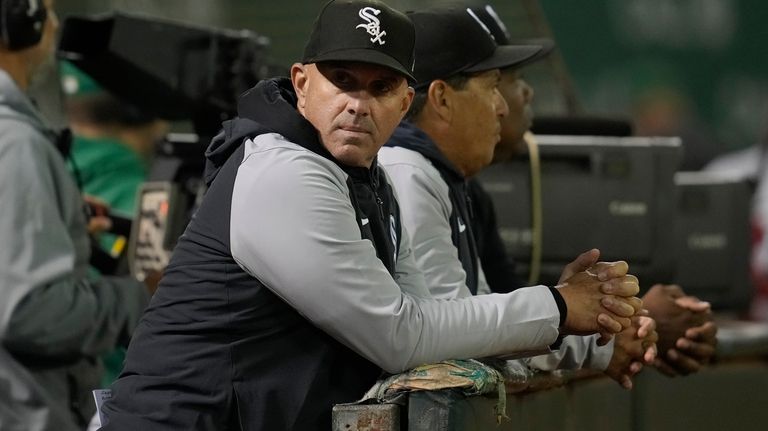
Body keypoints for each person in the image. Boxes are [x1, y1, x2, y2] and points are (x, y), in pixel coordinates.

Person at [101, 1, 645, 429]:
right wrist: (555, 307)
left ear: (405, 102)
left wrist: (576, 325)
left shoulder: (369, 179)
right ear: (302, 82)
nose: (359, 104)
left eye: (380, 87)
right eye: (343, 79)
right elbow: (399, 336)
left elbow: (437, 316)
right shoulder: (284, 172)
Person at [378, 5, 657, 389]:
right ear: (441, 99)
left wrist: (579, 315)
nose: (503, 106)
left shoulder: (434, 173)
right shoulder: (406, 173)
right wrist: (570, 315)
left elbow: (482, 317)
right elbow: (454, 339)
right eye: (492, 86)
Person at [462, 4, 717, 377]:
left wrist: (603, 317)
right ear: (441, 97)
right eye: (505, 80)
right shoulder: (414, 176)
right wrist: (616, 319)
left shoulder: (467, 191)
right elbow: (455, 341)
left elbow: (499, 324)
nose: (521, 96)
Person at [0, 0, 154, 430]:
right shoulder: (15, 143)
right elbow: (30, 313)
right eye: (46, 11)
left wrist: (57, 229)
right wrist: (141, 296)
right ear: (21, 23)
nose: (53, 25)